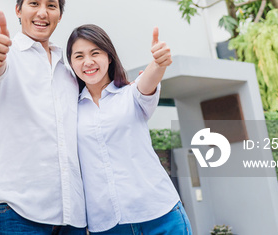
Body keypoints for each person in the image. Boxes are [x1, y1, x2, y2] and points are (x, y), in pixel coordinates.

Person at [0, 0, 85, 234]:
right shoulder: (6, 55)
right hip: (16, 212)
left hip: (73, 216)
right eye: (34, 3)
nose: (42, 13)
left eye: (51, 6)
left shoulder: (68, 73)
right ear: (18, 10)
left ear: (59, 15)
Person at [66, 24, 192, 235]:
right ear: (71, 63)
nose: (88, 62)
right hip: (107, 225)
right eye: (79, 56)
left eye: (95, 53)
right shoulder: (71, 112)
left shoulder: (131, 95)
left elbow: (149, 80)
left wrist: (159, 63)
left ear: (109, 57)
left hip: (160, 215)